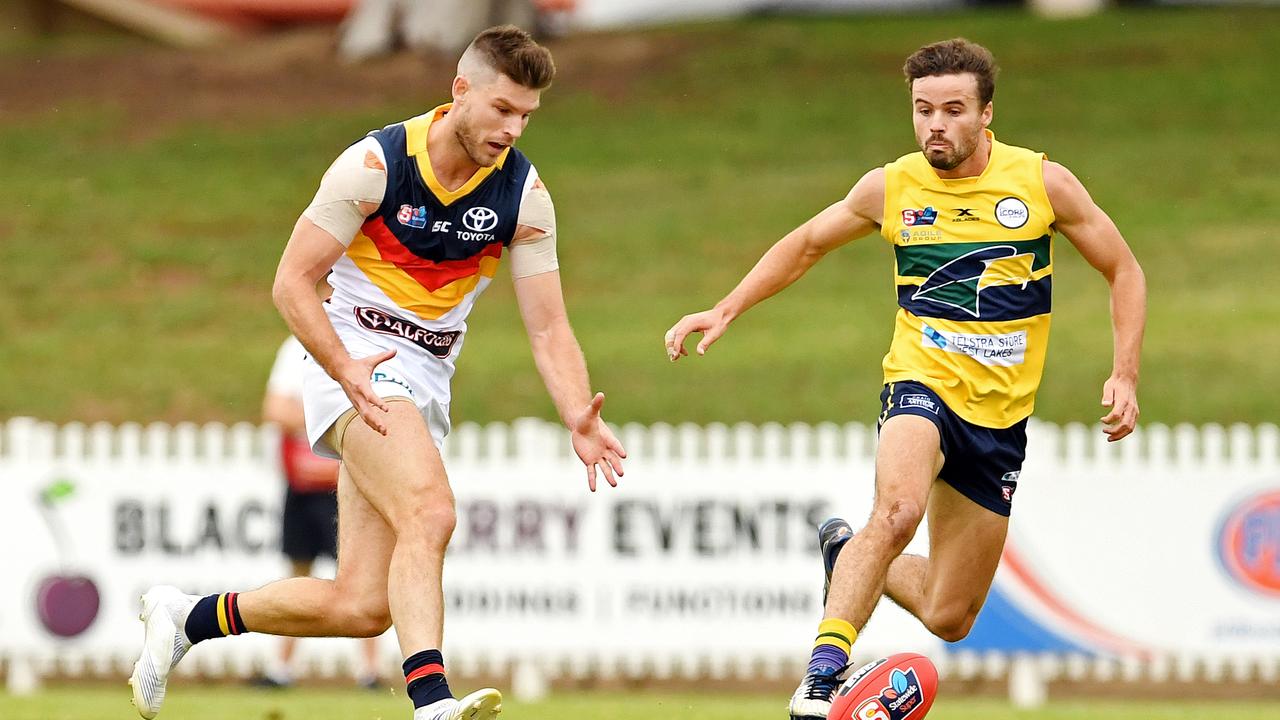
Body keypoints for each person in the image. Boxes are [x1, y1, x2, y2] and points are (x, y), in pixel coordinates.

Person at [130, 25, 626, 720]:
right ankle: (431, 703)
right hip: (351, 361)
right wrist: (343, 367)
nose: (514, 129)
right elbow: (291, 283)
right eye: (503, 109)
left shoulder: (524, 196)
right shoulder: (374, 164)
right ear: (461, 92)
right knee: (432, 510)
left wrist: (578, 410)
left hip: (424, 379)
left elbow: (547, 325)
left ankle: (187, 618)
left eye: (527, 116)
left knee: (361, 606)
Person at [663, 38, 1145, 720]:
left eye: (952, 110)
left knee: (950, 616)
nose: (935, 126)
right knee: (896, 512)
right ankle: (823, 677)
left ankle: (849, 556)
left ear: (986, 115)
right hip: (920, 384)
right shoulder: (890, 187)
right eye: (923, 110)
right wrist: (725, 307)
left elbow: (1124, 269)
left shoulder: (1040, 184)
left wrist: (1124, 373)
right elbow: (805, 244)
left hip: (999, 421)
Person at [257, 334, 381, 690]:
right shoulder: (296, 347)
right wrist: (331, 419)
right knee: (298, 570)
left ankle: (370, 672)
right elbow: (276, 410)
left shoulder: (366, 342)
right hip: (302, 484)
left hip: (347, 482)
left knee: (359, 573)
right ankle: (281, 668)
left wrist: (312, 418)